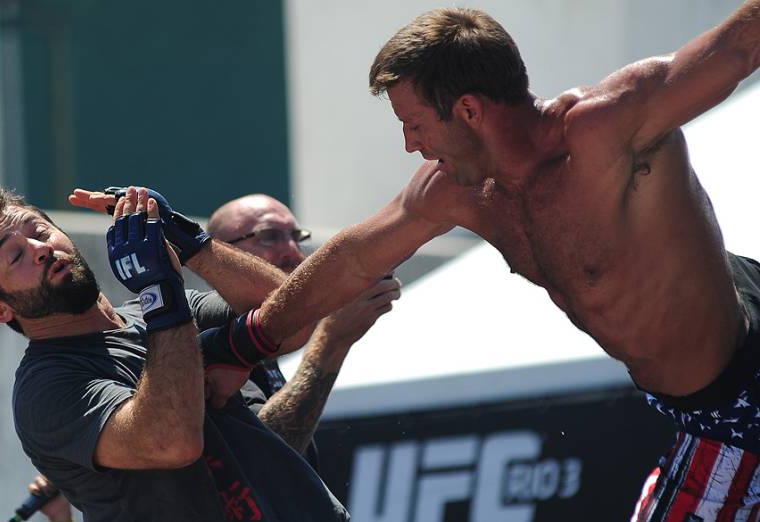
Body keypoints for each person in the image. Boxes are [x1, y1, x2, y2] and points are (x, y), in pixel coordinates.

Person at [237, 4, 760, 520]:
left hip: (743, 378)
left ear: (468, 110)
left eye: (414, 123)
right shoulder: (458, 192)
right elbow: (352, 258)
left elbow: (738, 47)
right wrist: (248, 340)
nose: (409, 144)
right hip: (705, 410)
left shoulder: (608, 129)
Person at [0, 185, 349, 521]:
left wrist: (193, 244)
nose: (40, 248)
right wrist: (162, 291)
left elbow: (294, 319)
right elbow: (171, 442)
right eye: (14, 255)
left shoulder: (161, 312)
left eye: (40, 230)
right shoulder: (45, 390)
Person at [207, 194, 401, 458]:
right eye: (269, 236)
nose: (292, 252)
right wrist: (332, 341)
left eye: (296, 237)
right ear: (221, 253)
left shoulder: (269, 343)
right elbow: (264, 461)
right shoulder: (206, 337)